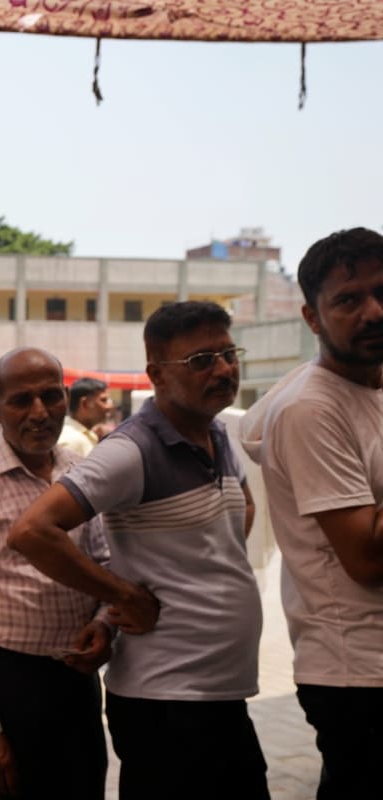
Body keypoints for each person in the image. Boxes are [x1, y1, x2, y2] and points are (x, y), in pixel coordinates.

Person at [9, 301, 267, 800]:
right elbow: (31, 531)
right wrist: (122, 596)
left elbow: (237, 516)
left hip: (218, 694)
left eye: (227, 353)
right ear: (157, 375)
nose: (222, 369)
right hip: (168, 704)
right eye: (200, 360)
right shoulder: (132, 450)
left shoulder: (216, 433)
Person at [0, 347, 111, 800]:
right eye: (21, 400)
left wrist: (107, 625)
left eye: (51, 396)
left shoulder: (83, 472)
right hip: (6, 688)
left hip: (77, 685)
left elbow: (107, 564)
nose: (39, 412)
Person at [240, 227, 383, 799]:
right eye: (348, 300)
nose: (373, 311)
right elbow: (366, 556)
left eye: (381, 292)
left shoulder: (367, 387)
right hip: (360, 674)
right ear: (312, 318)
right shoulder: (311, 410)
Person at [56, 377, 112, 457]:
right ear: (85, 403)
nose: (109, 406)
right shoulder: (72, 441)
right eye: (103, 400)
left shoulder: (85, 435)